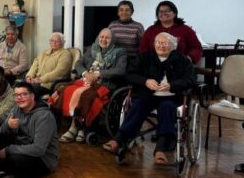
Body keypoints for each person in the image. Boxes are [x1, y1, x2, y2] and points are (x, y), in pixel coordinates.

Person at [104, 33, 196, 165]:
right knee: (138, 105)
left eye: (164, 43)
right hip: (147, 95)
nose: (161, 46)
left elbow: (191, 80)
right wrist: (145, 81)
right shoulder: (144, 57)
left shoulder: (182, 60)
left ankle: (160, 149)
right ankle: (118, 140)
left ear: (173, 45)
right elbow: (129, 75)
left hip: (171, 97)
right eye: (158, 43)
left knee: (167, 107)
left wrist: (172, 85)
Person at [54, 28, 126, 143]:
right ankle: (77, 126)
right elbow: (79, 63)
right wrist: (85, 73)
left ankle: (77, 128)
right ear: (98, 38)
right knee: (67, 90)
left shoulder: (120, 52)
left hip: (104, 84)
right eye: (102, 37)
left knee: (86, 95)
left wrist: (98, 74)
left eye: (107, 38)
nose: (104, 39)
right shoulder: (92, 49)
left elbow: (120, 70)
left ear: (112, 40)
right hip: (86, 80)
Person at [0, 82, 59, 178]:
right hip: (22, 146)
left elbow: (39, 149)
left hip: (43, 159)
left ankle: (2, 174)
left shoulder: (44, 116)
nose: (19, 98)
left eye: (24, 94)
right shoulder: (16, 109)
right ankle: (2, 173)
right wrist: (7, 126)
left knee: (15, 160)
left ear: (32, 96)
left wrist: (8, 150)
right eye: (16, 95)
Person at [25, 32, 73, 98]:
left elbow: (59, 72)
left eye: (57, 41)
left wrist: (40, 79)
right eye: (52, 40)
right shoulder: (45, 52)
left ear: (63, 42)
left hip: (48, 84)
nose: (54, 43)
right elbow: (35, 64)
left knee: (27, 90)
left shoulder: (65, 54)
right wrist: (30, 76)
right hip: (35, 80)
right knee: (19, 85)